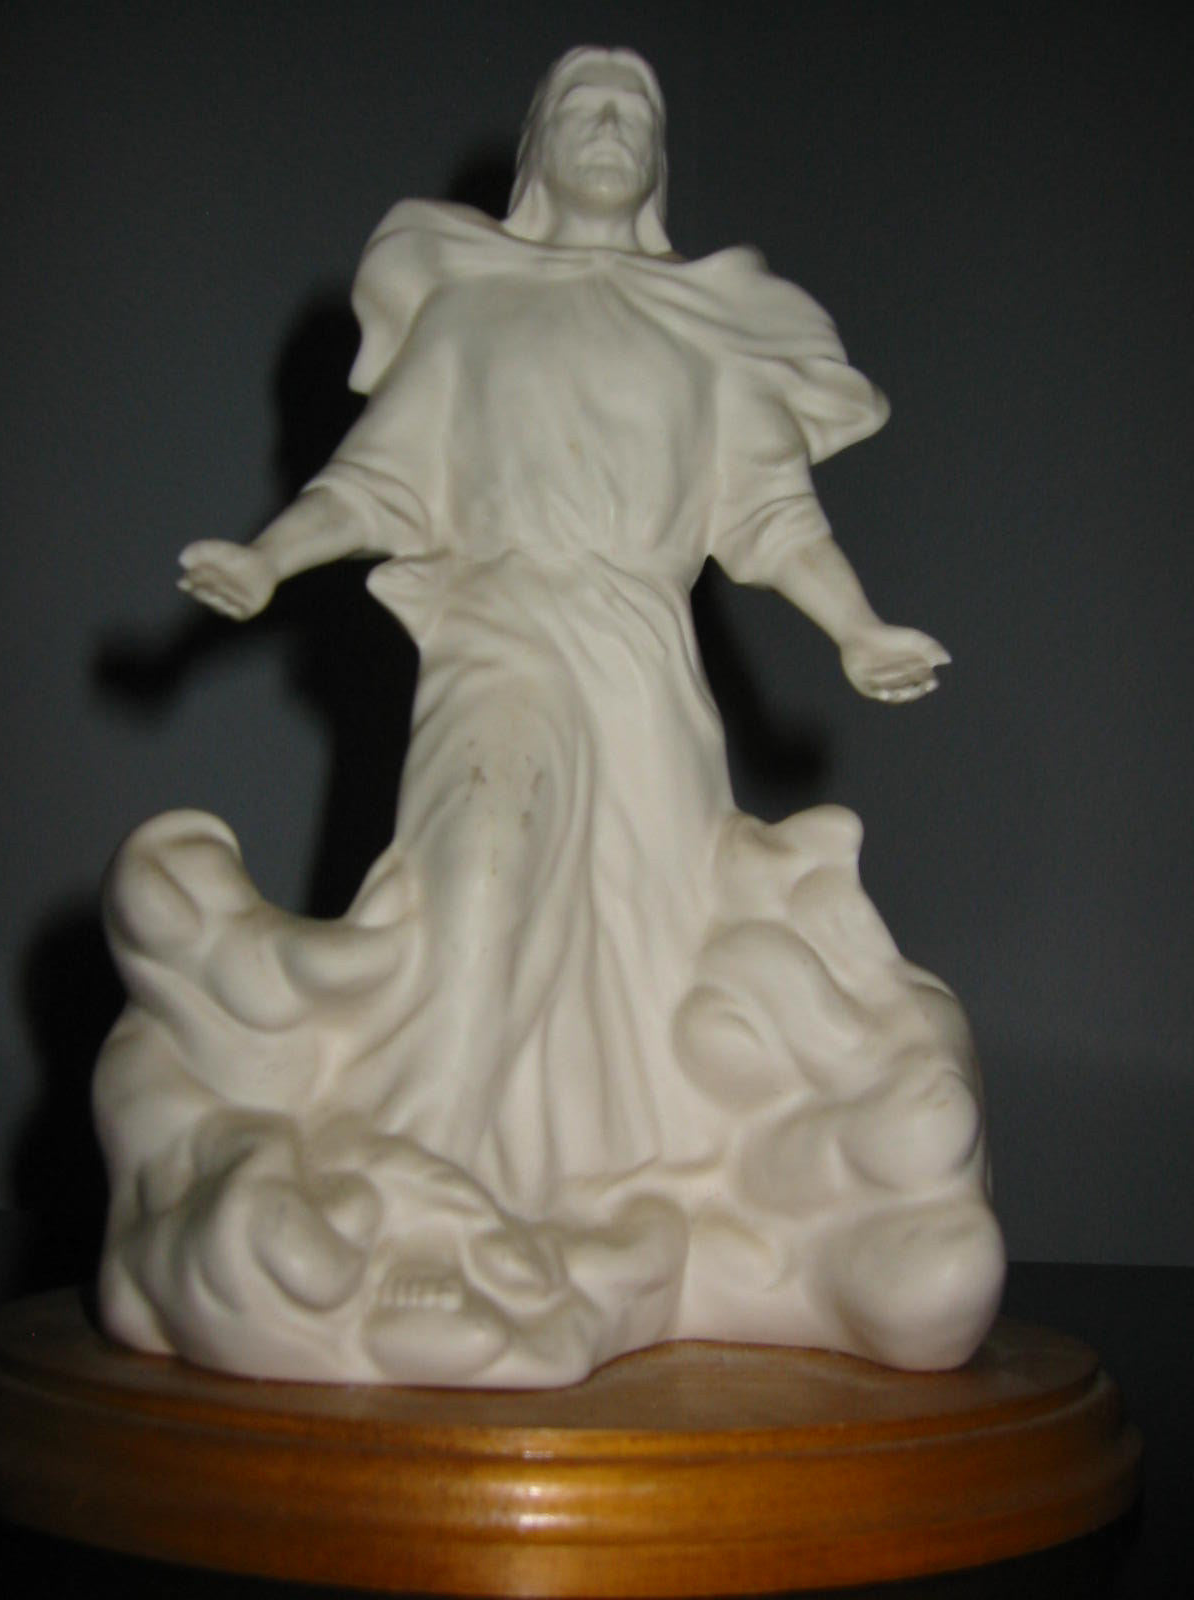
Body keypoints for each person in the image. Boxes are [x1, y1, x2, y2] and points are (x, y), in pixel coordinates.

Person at [95, 47, 1003, 1385]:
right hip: (503, 636)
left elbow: (767, 516)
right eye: (582, 108)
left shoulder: (703, 330)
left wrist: (858, 627)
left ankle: (609, 1194)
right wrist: (269, 559)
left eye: (633, 112)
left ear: (659, 161)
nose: (608, 126)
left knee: (646, 929)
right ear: (538, 151)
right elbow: (380, 482)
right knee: (481, 870)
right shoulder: (473, 314)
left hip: (643, 667)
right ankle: (415, 1153)